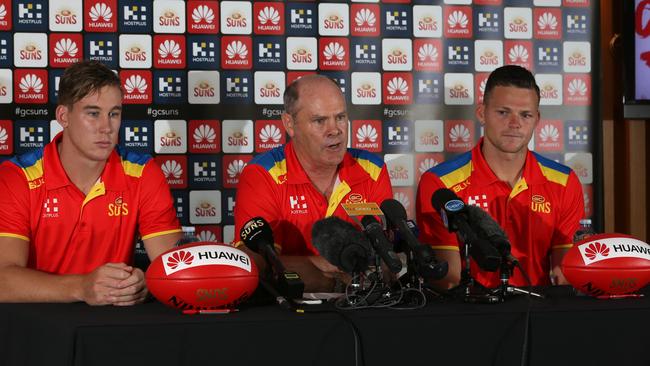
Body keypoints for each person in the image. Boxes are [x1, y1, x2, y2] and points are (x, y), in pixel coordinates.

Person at [0, 61, 181, 305]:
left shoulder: (143, 173)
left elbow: (175, 269)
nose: (106, 127)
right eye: (93, 113)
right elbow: (3, 280)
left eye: (114, 114)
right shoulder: (18, 177)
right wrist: (82, 287)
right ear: (64, 116)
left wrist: (145, 282)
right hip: (36, 326)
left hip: (113, 327)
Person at [416, 65, 584, 289]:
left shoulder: (564, 182)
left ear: (537, 119)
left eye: (525, 115)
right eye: (503, 112)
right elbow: (448, 280)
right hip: (470, 316)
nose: (514, 123)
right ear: (481, 113)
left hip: (541, 314)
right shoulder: (439, 184)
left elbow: (564, 276)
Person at [234, 75, 393, 292]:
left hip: (363, 310)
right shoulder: (263, 175)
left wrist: (309, 266)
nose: (335, 130)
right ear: (289, 124)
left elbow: (385, 263)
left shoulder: (373, 170)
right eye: (320, 121)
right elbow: (260, 266)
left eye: (340, 117)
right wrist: (335, 277)